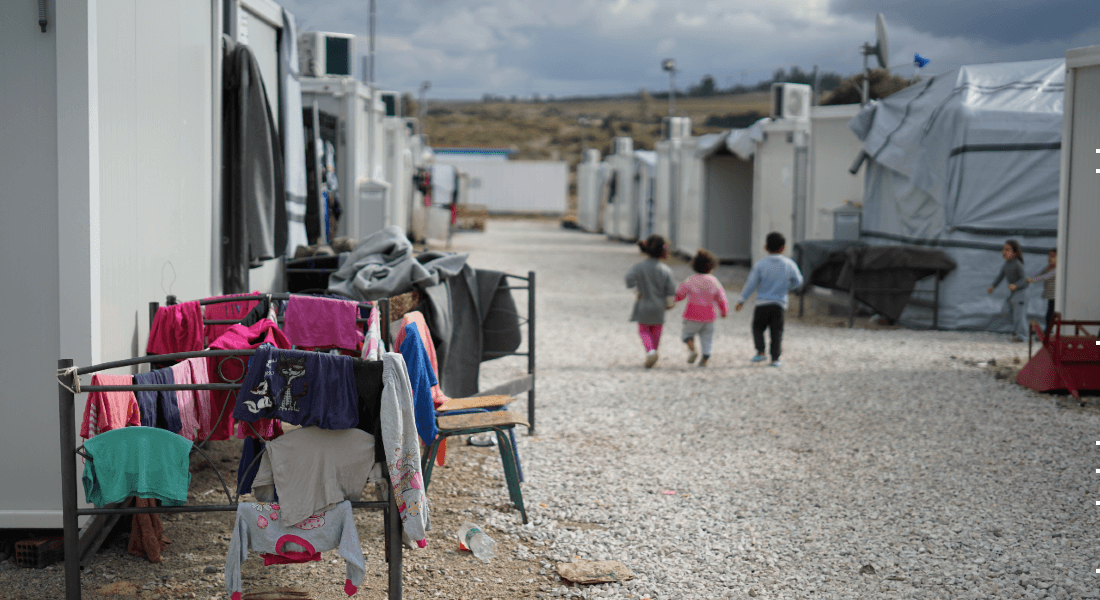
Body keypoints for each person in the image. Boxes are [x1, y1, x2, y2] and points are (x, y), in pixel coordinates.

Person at [734, 232, 804, 367]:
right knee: (776, 332)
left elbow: (751, 283)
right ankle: (775, 359)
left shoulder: (760, 264)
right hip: (780, 303)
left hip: (762, 303)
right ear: (783, 248)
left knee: (757, 328)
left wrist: (741, 300)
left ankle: (760, 353)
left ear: (766, 247)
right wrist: (789, 287)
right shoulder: (789, 264)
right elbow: (799, 281)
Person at [626, 234, 677, 368]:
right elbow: (671, 289)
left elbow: (628, 278)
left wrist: (636, 292)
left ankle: (650, 351)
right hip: (659, 305)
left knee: (643, 329)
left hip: (643, 303)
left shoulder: (638, 267)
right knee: (657, 329)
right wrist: (670, 302)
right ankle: (655, 350)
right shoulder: (665, 269)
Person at [675, 249, 729, 367]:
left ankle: (693, 349)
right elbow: (721, 298)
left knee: (687, 334)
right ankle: (705, 358)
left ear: (694, 266)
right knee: (707, 338)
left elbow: (680, 293)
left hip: (692, 315)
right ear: (712, 267)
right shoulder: (714, 281)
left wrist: (673, 300)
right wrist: (724, 311)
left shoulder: (690, 280)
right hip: (709, 316)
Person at [987, 239, 1029, 342]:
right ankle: (1018, 330)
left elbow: (1024, 280)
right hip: (1013, 294)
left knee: (1019, 315)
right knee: (1006, 311)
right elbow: (1000, 276)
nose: (1004, 252)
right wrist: (993, 286)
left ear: (1015, 253)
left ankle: (1022, 336)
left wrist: (1016, 285)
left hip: (1021, 293)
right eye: (1003, 249)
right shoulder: (1006, 264)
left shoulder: (1018, 264)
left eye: (1008, 250)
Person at [1026, 248, 1057, 336]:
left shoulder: (1056, 270)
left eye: (1053, 256)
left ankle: (1049, 330)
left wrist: (1033, 280)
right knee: (1049, 313)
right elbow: (1039, 274)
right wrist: (1031, 278)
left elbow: (1045, 277)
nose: (1050, 258)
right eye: (1049, 256)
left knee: (1051, 314)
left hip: (1055, 296)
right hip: (1050, 295)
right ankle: (1048, 329)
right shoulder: (1048, 268)